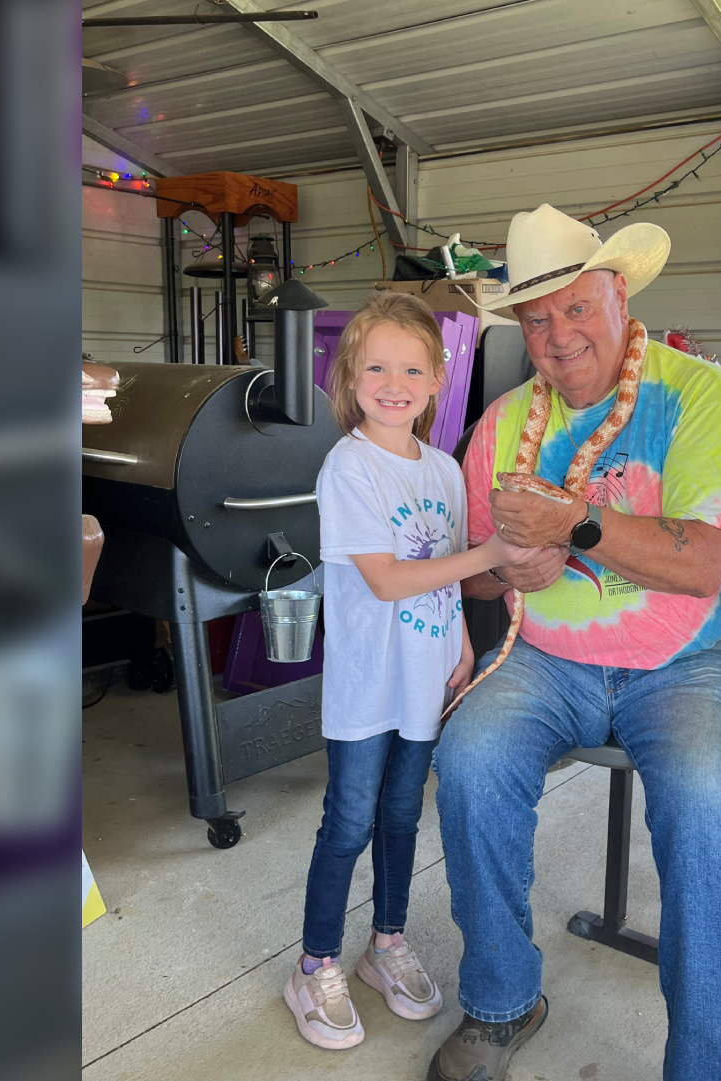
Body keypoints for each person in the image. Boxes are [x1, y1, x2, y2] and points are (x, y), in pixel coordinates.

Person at [426, 205, 721, 1081]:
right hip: (546, 657)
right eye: (535, 319)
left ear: (618, 295)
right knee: (468, 758)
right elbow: (469, 572)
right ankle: (503, 1000)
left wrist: (574, 521)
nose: (557, 334)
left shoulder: (697, 394)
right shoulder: (501, 423)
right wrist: (510, 573)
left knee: (701, 805)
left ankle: (715, 1065)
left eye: (576, 307)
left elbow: (702, 566)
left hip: (683, 660)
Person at [285, 290, 538, 1051]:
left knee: (402, 816)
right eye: (376, 367)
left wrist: (461, 636)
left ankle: (384, 943)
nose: (393, 383)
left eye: (411, 369)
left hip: (427, 671)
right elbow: (391, 578)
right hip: (369, 681)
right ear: (349, 378)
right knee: (349, 820)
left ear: (436, 381)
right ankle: (314, 963)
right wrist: (496, 554)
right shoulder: (348, 468)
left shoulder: (442, 470)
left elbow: (443, 573)